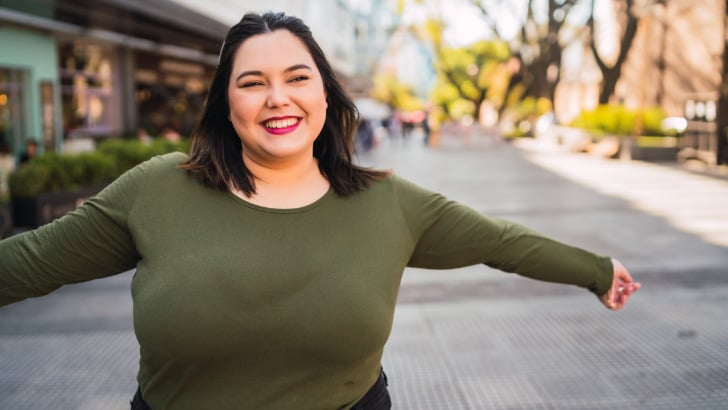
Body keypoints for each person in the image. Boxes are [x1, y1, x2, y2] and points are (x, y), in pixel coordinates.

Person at [0, 11, 640, 410]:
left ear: (327, 97)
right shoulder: (158, 189)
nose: (278, 97)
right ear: (228, 106)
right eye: (252, 82)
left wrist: (594, 269)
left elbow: (500, 241)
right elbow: (29, 262)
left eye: (298, 77)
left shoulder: (389, 203)